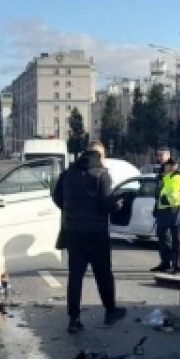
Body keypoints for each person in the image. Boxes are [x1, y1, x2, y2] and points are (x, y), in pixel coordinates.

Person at [51, 141, 128, 333]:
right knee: (103, 273)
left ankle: (74, 319)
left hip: (74, 232)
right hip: (96, 232)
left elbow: (56, 197)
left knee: (75, 276)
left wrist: (71, 210)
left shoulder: (68, 173)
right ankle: (110, 310)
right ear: (98, 156)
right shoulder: (102, 174)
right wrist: (116, 205)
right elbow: (104, 203)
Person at [152, 158, 180, 274]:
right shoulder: (166, 178)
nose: (167, 167)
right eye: (166, 165)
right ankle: (166, 263)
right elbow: (162, 194)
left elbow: (176, 195)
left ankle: (178, 266)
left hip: (177, 211)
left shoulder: (177, 177)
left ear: (175, 166)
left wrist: (163, 200)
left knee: (177, 240)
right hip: (166, 211)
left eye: (170, 165)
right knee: (164, 238)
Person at [149, 148, 172, 270]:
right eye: (158, 155)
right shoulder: (162, 169)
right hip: (161, 207)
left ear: (168, 155)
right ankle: (165, 261)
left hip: (168, 208)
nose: (159, 157)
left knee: (166, 237)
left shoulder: (171, 168)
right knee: (162, 236)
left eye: (161, 155)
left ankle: (169, 262)